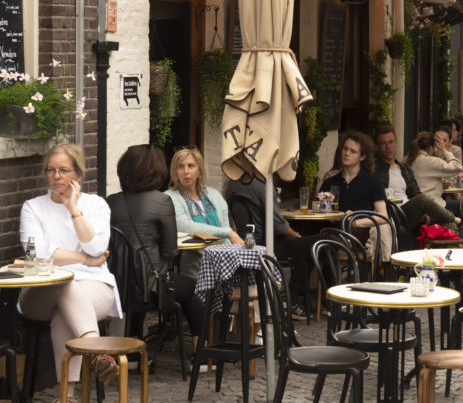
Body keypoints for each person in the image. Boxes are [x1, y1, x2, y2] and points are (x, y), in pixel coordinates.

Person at [19, 144, 123, 403]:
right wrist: (86, 260)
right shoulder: (32, 208)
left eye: (63, 170)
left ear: (77, 173)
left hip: (94, 288)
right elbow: (38, 254)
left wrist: (73, 208)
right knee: (64, 282)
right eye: (51, 170)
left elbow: (98, 244)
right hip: (39, 293)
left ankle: (66, 400)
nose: (56, 176)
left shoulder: (96, 205)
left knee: (65, 305)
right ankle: (97, 351)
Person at [107, 145, 194, 339]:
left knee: (139, 279)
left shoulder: (110, 202)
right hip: (152, 289)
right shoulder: (161, 201)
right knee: (195, 287)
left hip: (117, 283)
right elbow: (170, 251)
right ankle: (199, 354)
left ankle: (134, 350)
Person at [164, 147, 243, 330]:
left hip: (222, 263)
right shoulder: (171, 197)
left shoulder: (214, 195)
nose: (186, 171)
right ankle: (210, 335)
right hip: (195, 266)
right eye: (180, 166)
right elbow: (187, 226)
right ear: (174, 171)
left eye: (191, 165)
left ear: (199, 169)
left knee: (250, 279)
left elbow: (225, 224)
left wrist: (226, 252)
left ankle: (227, 332)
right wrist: (228, 233)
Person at [228, 174, 322, 319]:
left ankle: (293, 300)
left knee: (305, 249)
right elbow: (278, 226)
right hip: (267, 245)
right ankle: (300, 302)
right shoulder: (263, 184)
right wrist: (295, 234)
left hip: (248, 241)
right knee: (320, 242)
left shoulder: (234, 182)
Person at [318, 130, 391, 261]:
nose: (347, 153)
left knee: (328, 245)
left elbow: (383, 216)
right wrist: (329, 216)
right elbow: (321, 212)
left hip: (362, 236)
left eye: (353, 151)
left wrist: (354, 222)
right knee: (322, 242)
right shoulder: (330, 183)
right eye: (345, 149)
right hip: (334, 231)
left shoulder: (372, 181)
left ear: (362, 157)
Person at [374, 125, 460, 235]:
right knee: (422, 199)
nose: (388, 147)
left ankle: (449, 247)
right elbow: (457, 167)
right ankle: (455, 218)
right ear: (378, 146)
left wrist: (424, 213)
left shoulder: (404, 168)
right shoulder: (375, 169)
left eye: (391, 142)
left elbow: (414, 193)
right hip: (392, 213)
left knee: (450, 227)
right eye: (383, 144)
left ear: (396, 143)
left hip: (410, 211)